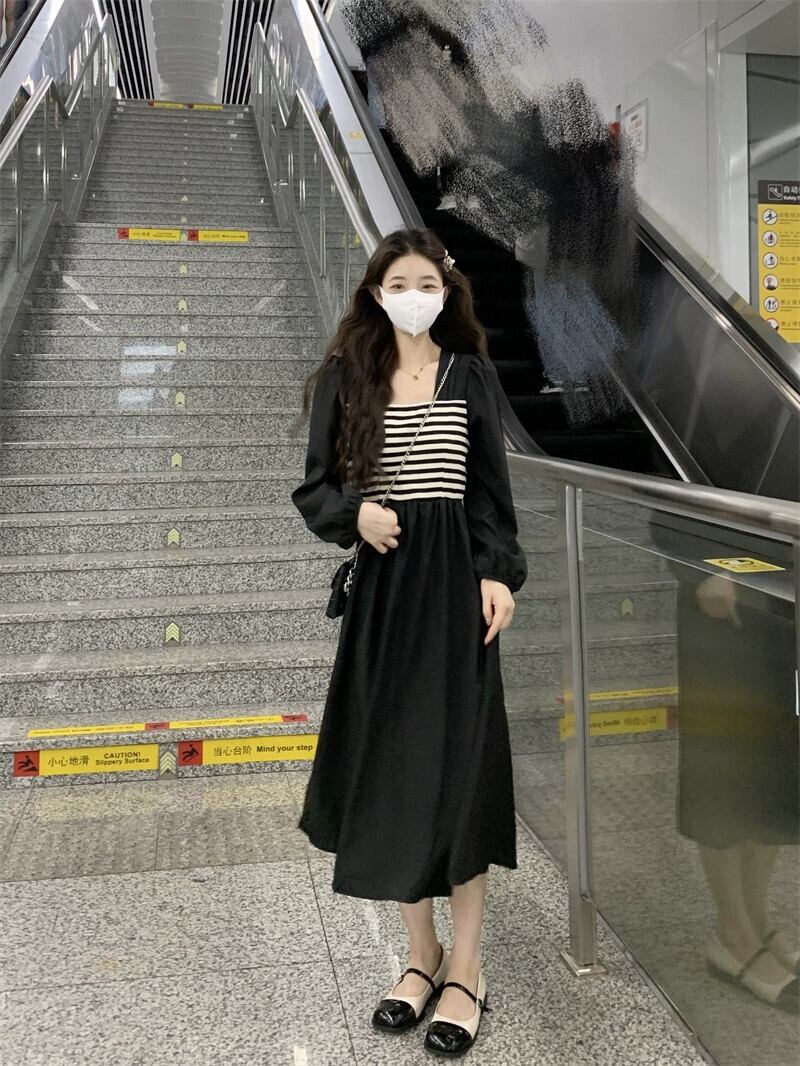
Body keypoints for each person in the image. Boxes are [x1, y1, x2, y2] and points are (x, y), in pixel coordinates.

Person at [291, 227, 528, 1057]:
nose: (413, 296)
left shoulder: (471, 375)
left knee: (460, 772)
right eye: (399, 284)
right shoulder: (346, 378)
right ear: (375, 293)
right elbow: (314, 488)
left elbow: (490, 493)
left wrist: (498, 572)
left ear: (446, 291)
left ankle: (467, 969)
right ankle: (420, 957)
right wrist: (354, 514)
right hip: (387, 597)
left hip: (457, 594)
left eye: (427, 283)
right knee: (394, 768)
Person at [649, 514, 799, 1014]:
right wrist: (706, 570)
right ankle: (733, 933)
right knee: (726, 767)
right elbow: (666, 492)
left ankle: (756, 919)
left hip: (783, 589)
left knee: (775, 764)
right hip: (720, 596)